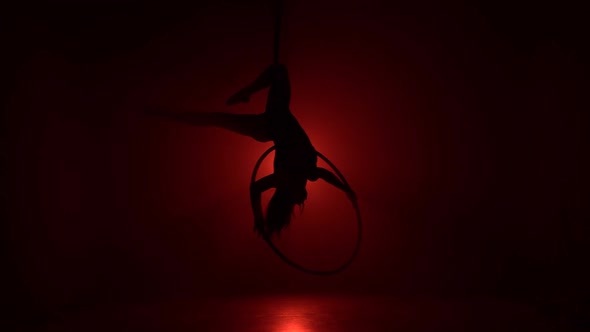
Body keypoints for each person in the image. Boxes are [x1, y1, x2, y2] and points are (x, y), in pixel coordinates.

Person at [147, 63, 356, 237]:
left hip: (272, 123)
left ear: (291, 194)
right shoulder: (307, 173)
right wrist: (346, 189)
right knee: (218, 118)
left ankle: (169, 115)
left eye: (297, 199)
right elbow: (325, 175)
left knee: (274, 75)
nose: (303, 198)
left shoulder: (288, 178)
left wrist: (259, 219)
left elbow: (255, 189)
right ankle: (170, 115)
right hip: (272, 123)